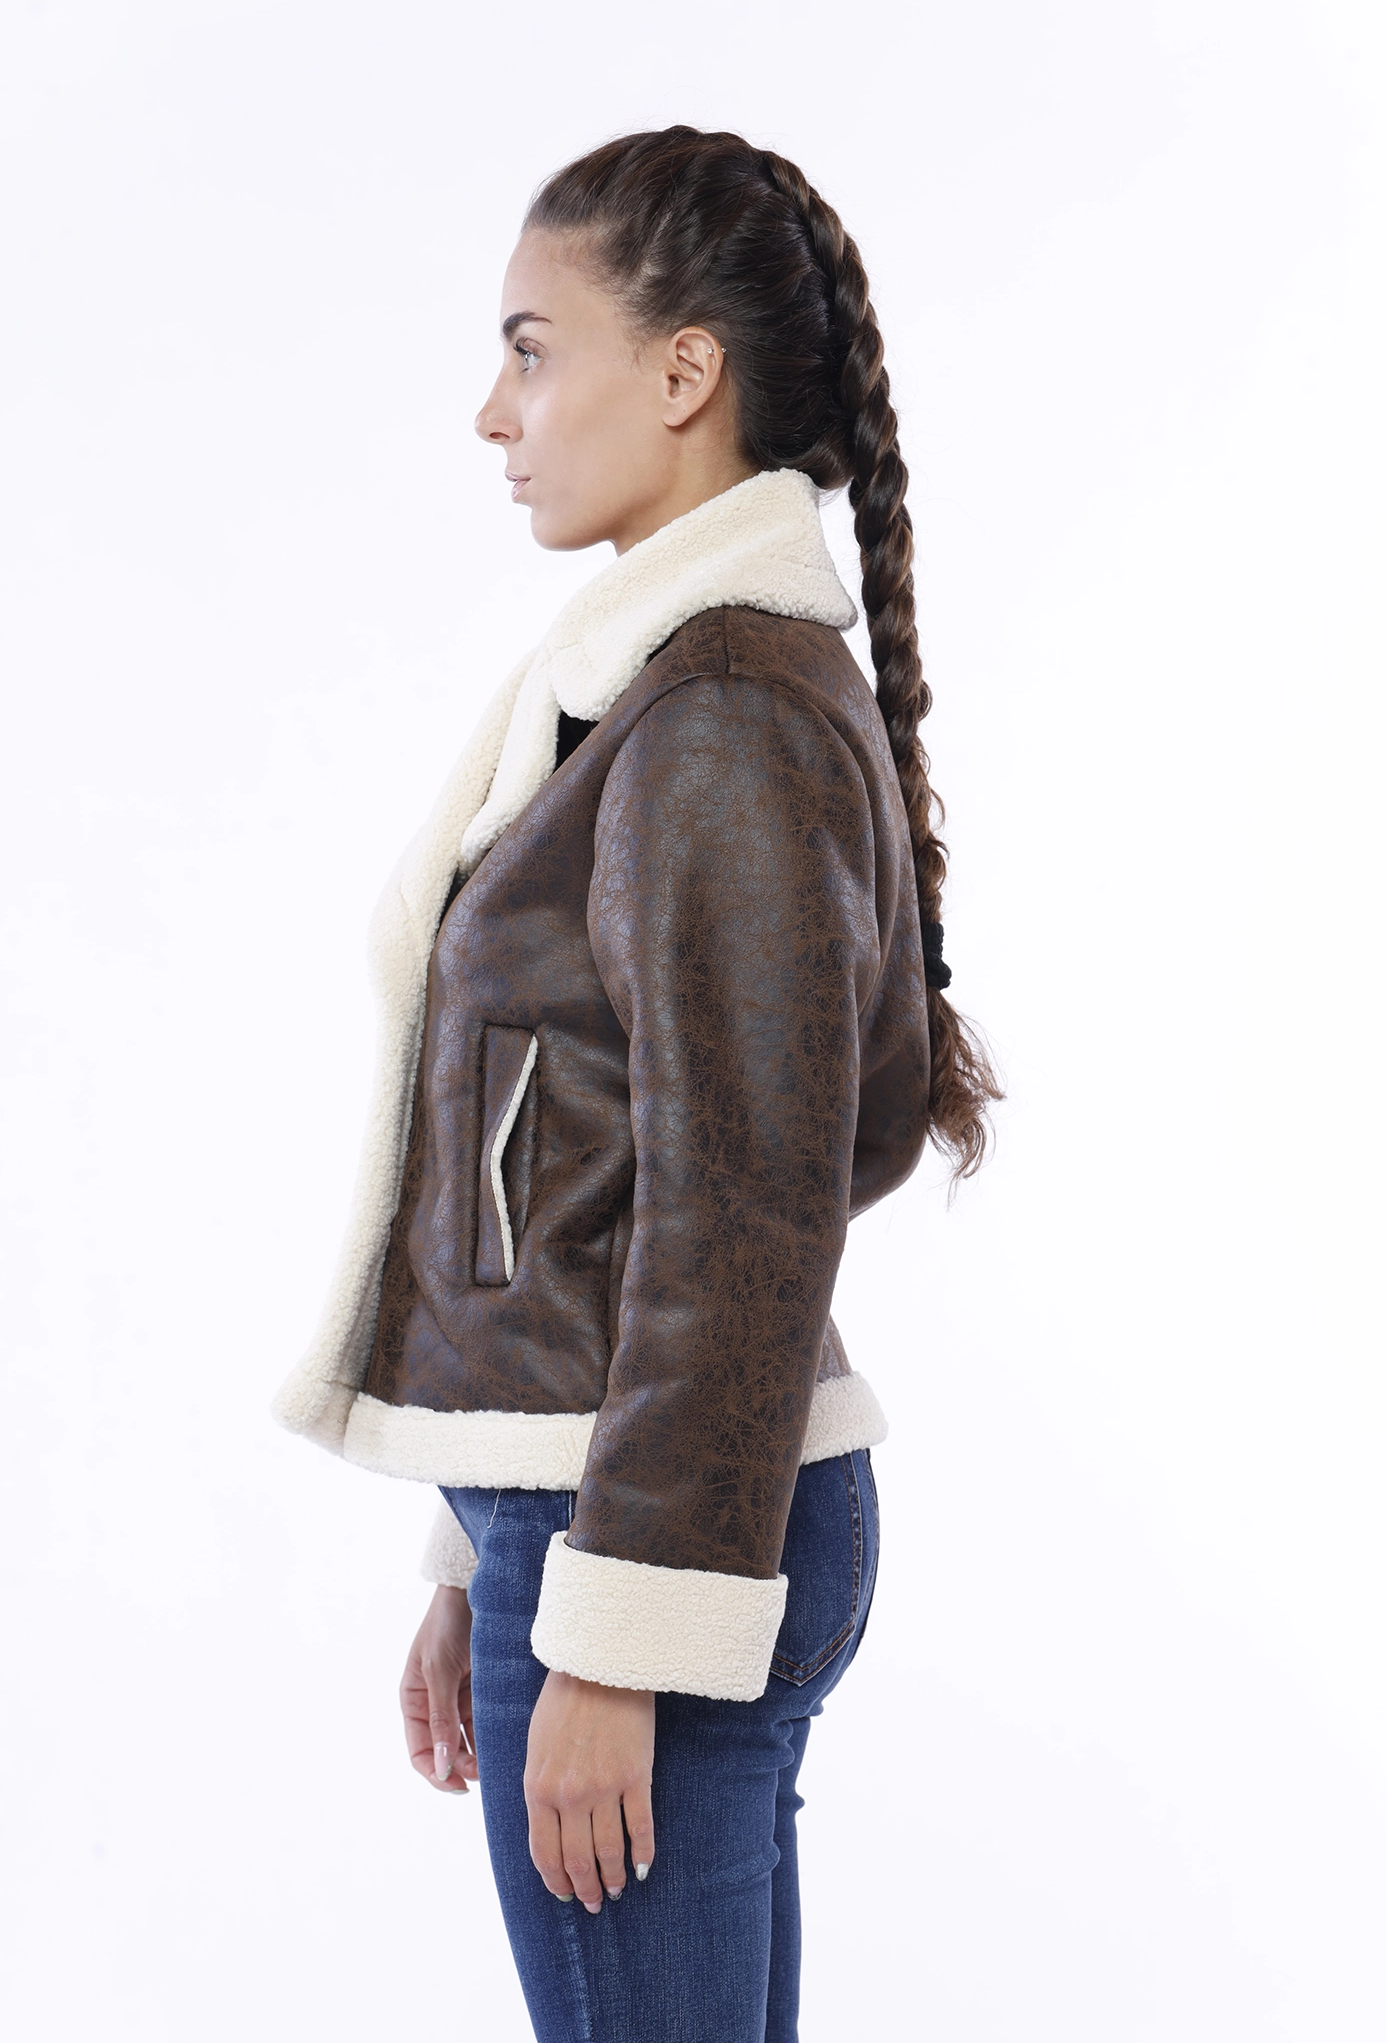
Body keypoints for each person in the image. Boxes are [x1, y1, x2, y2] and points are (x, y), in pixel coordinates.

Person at [273, 125, 998, 2043]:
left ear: (684, 372)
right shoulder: (655, 689)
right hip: (613, 1521)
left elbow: (738, 1203)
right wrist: (476, 1544)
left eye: (531, 349)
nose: (490, 412)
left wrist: (609, 1638)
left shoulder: (719, 714)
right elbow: (579, 1165)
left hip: (653, 1546)